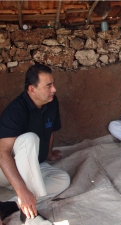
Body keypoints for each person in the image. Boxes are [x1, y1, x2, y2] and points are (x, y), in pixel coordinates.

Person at [0, 64, 70, 224]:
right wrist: (21, 189)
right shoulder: (16, 111)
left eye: (53, 84)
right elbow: (2, 153)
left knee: (62, 179)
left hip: (34, 166)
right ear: (32, 89)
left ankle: (10, 205)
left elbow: (50, 129)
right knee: (29, 138)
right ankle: (30, 215)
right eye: (48, 86)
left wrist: (49, 154)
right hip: (5, 170)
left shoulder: (52, 102)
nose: (54, 89)